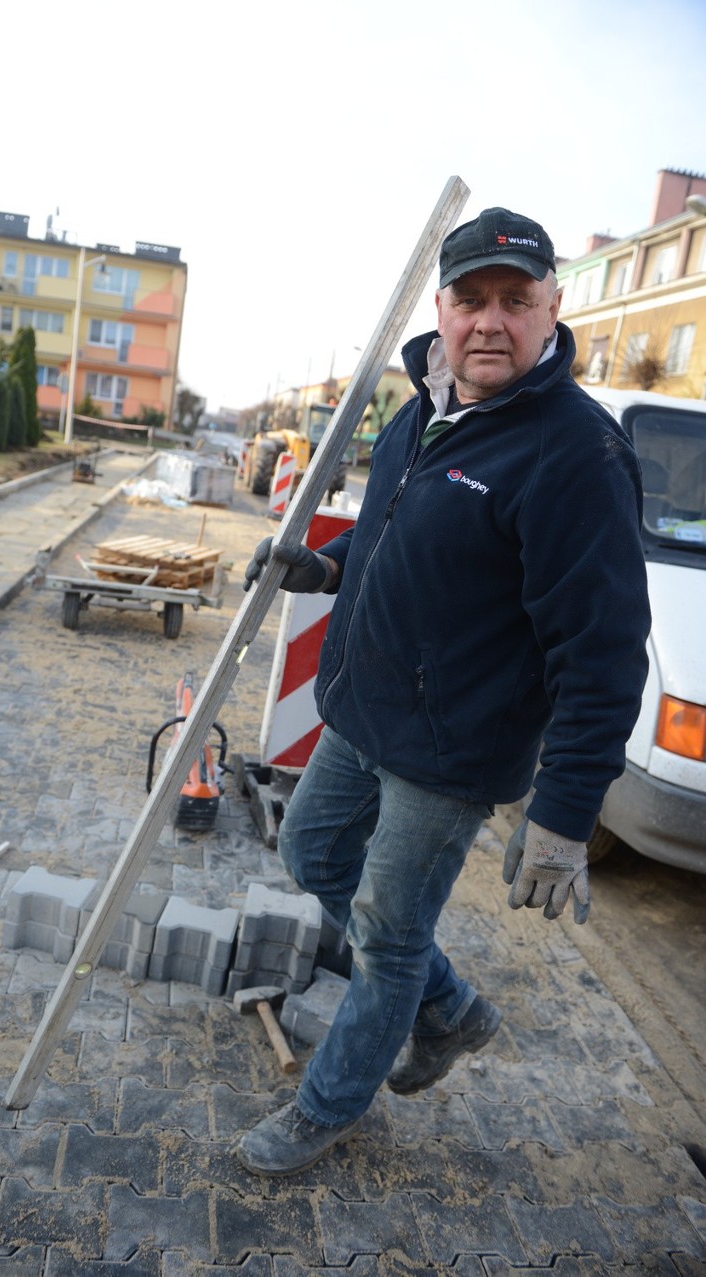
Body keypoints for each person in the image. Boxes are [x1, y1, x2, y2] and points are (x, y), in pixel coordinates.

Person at [236, 206, 651, 1178]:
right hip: (365, 706)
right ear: (443, 308)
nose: (491, 321)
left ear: (553, 310)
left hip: (455, 747)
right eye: (472, 300)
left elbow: (602, 652)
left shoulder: (574, 455)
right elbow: (401, 533)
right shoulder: (425, 408)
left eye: (517, 300)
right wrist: (324, 567)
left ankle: (327, 1104)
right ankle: (455, 1009)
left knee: (386, 933)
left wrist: (563, 812)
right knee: (308, 849)